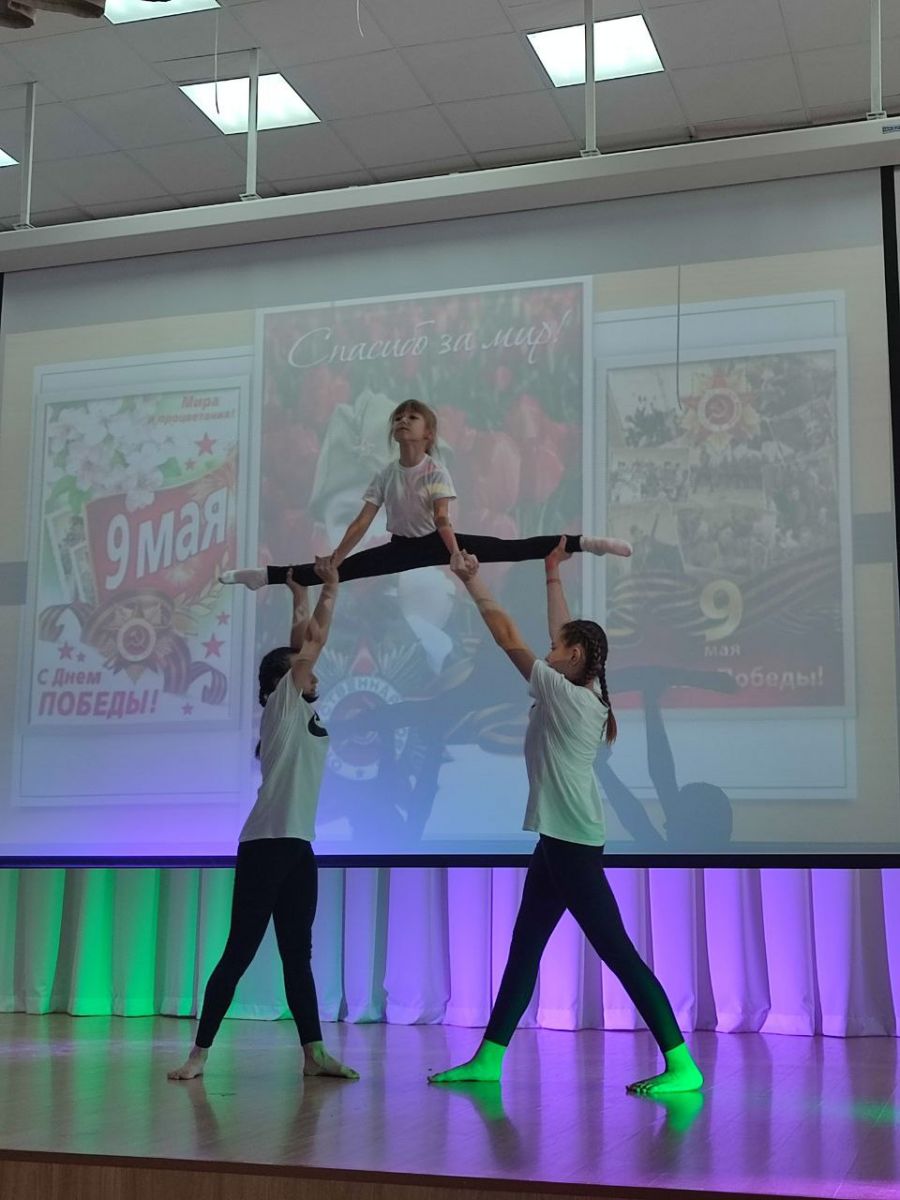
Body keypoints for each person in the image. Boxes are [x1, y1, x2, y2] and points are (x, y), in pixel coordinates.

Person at [428, 539, 703, 1096]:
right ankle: (489, 1058)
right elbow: (566, 632)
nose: (549, 649)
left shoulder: (566, 695)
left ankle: (682, 1064)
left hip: (572, 845)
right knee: (525, 949)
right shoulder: (587, 685)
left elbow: (507, 636)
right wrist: (552, 573)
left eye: (558, 647)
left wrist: (471, 581)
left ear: (574, 657)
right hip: (557, 842)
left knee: (618, 953)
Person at [168, 561, 358, 1083]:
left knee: (298, 955)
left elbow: (302, 643)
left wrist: (298, 593)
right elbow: (311, 644)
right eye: (304, 669)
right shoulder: (283, 704)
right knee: (240, 952)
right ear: (283, 681)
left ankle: (313, 1053)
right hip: (266, 846)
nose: (315, 673)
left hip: (297, 847)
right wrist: (330, 589)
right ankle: (199, 1054)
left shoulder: (300, 710)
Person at [220, 399, 630, 591]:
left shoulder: (435, 471)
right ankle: (263, 577)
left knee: (514, 547)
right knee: (329, 572)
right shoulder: (386, 474)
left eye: (411, 417)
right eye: (398, 418)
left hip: (439, 543)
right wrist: (338, 556)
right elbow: (362, 522)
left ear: (428, 433)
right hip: (401, 547)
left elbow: (443, 520)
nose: (403, 421)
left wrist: (455, 554)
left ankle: (588, 543)